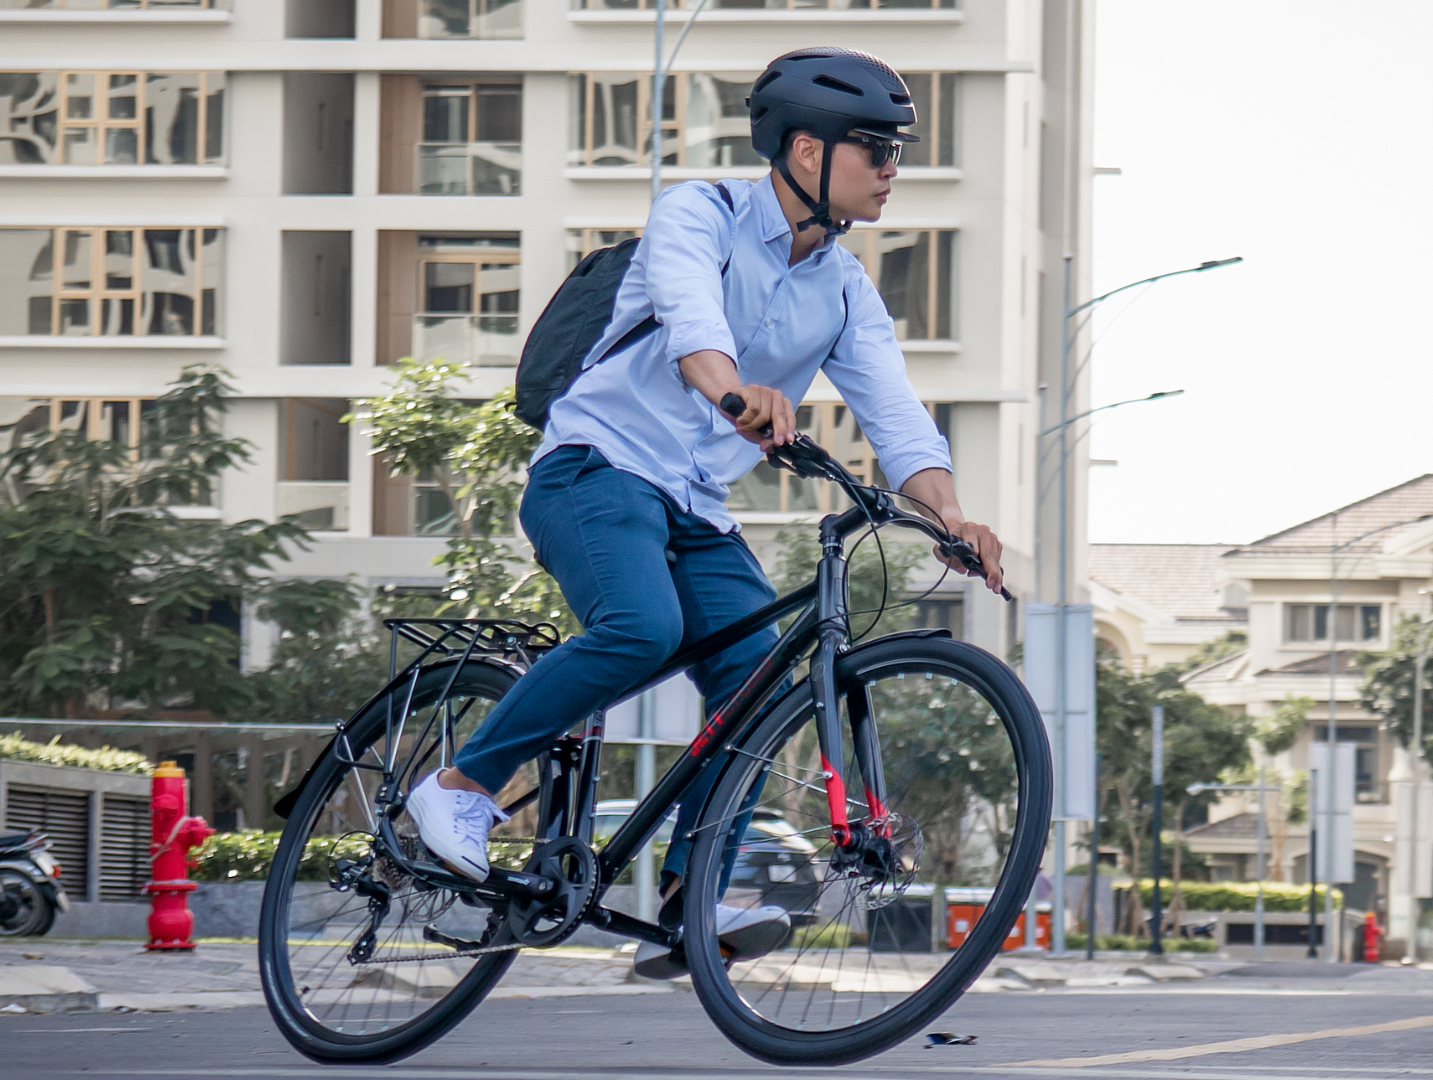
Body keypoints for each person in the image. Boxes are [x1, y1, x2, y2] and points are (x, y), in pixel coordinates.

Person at [405, 46, 1005, 978]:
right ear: (807, 151)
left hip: (694, 504)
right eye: (877, 148)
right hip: (594, 468)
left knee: (756, 675)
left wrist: (952, 516)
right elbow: (692, 322)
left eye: (897, 151)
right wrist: (735, 394)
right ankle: (460, 785)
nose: (894, 168)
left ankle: (695, 895)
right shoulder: (702, 212)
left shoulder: (844, 287)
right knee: (643, 627)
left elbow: (895, 412)